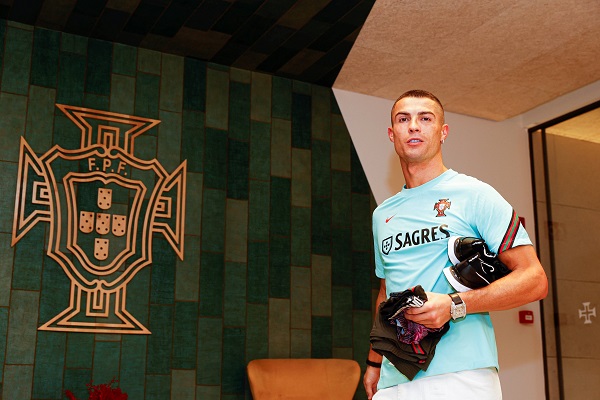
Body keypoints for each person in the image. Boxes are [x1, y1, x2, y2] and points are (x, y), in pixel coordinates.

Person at [364, 90, 548, 400]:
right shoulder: (382, 214)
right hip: (394, 378)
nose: (413, 126)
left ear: (442, 132)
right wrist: (374, 360)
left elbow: (535, 280)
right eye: (403, 119)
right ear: (391, 134)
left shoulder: (475, 194)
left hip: (462, 375)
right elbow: (386, 291)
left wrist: (455, 305)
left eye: (425, 118)